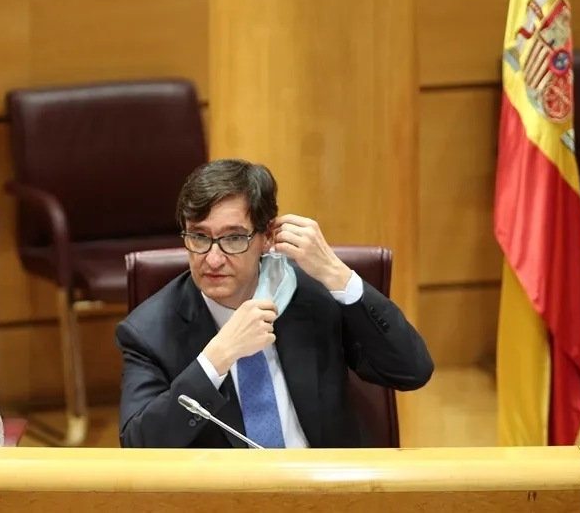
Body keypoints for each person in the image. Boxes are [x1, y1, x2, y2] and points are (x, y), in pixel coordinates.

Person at [115, 158, 433, 448]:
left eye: (233, 238)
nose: (212, 259)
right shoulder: (148, 332)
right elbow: (138, 447)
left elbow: (411, 371)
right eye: (198, 237)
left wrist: (337, 276)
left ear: (267, 236)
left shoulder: (311, 296)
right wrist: (214, 360)